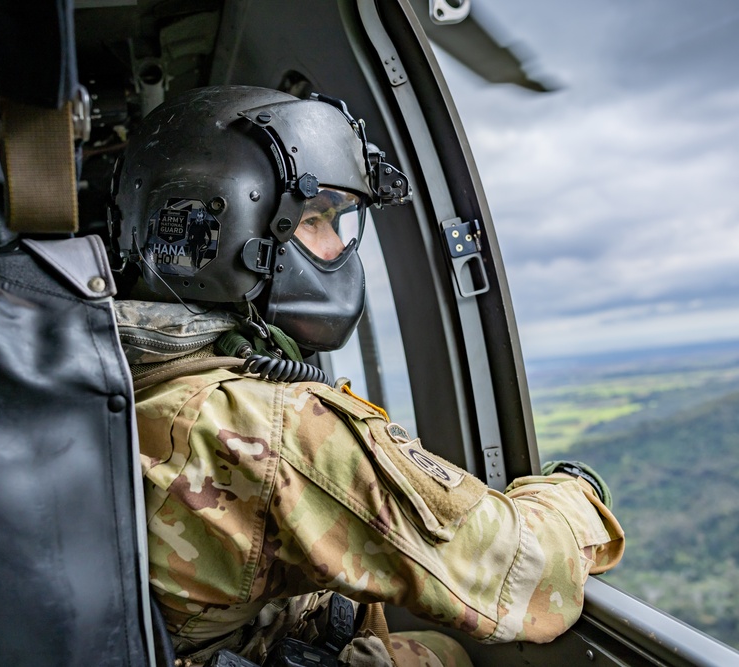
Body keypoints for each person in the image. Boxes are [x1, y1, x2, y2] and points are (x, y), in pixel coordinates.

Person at [110, 85, 625, 666]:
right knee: (441, 658)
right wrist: (575, 490)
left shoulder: (107, 367)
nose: (337, 246)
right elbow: (526, 576)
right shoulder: (267, 423)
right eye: (316, 218)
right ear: (230, 230)